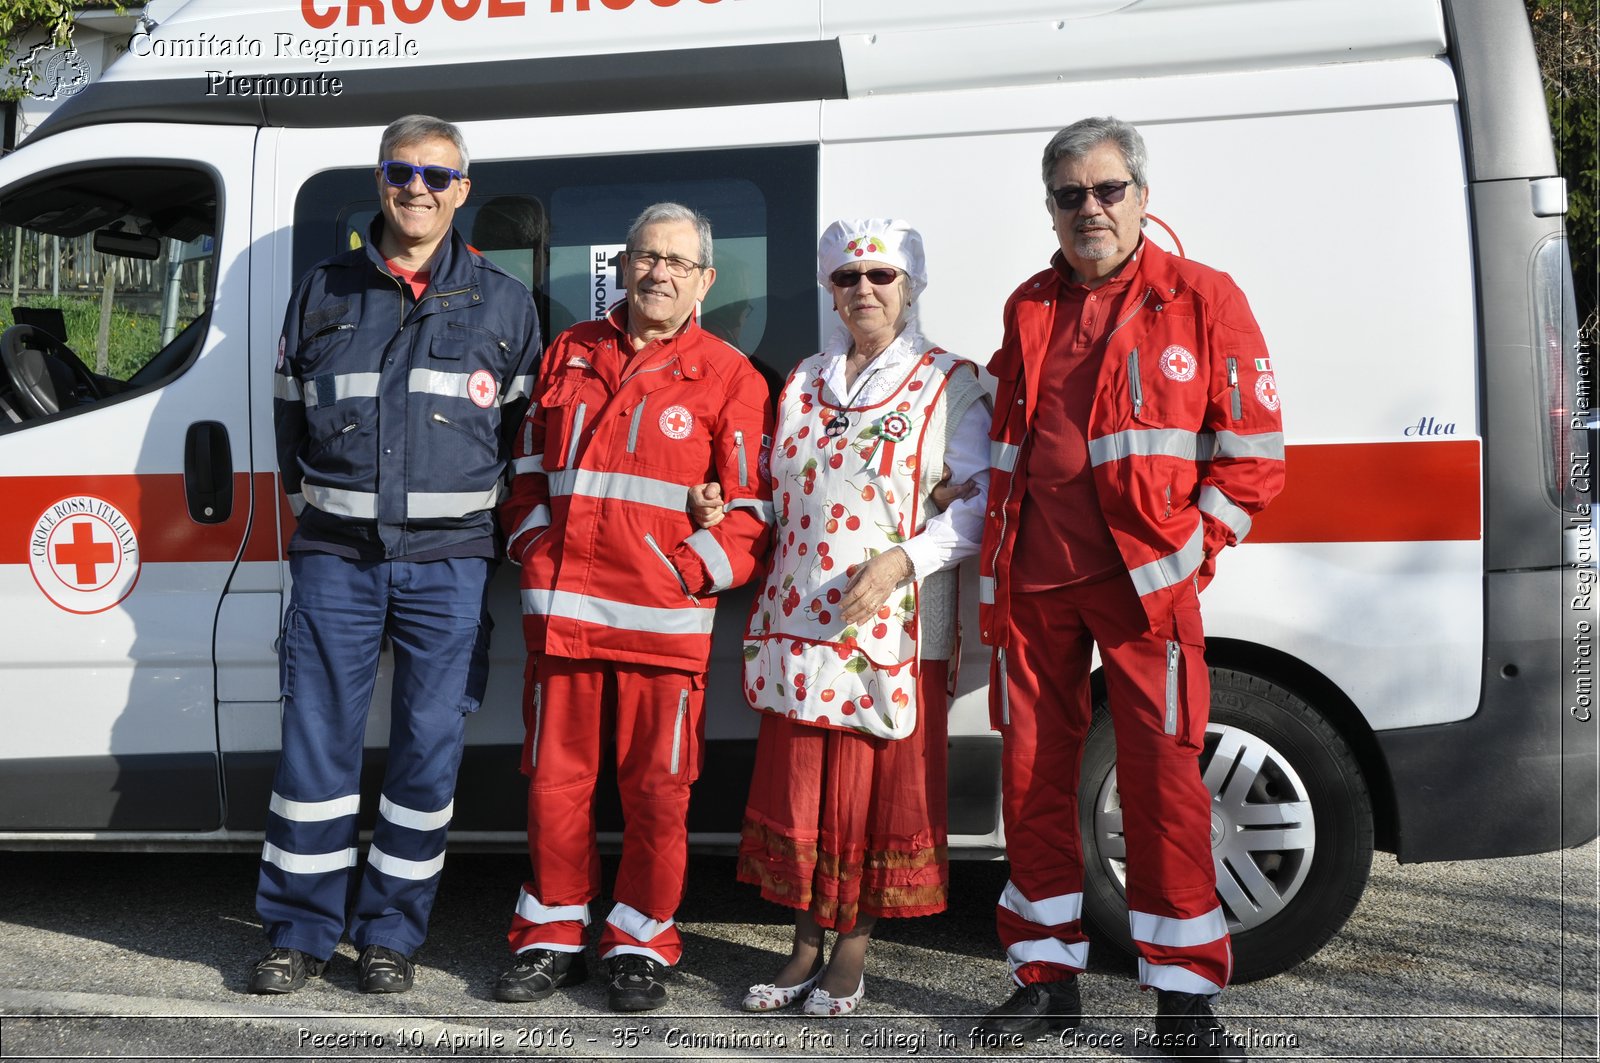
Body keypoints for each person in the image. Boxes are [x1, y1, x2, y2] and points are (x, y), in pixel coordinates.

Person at [972, 117, 1285, 1061]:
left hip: (1149, 589)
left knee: (1164, 788)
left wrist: (1196, 550)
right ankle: (1046, 979)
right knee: (1031, 782)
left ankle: (1185, 1003)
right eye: (1070, 195)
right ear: (1052, 209)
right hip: (1032, 585)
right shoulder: (1028, 303)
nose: (1090, 210)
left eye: (1107, 190)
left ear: (1142, 196)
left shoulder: (1202, 298)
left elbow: (1256, 455)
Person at [253, 115, 542, 995]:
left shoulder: (505, 301)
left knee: (427, 754)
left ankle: (390, 933)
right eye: (400, 171)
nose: (417, 188)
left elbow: (524, 443)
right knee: (314, 748)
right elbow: (288, 421)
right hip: (335, 559)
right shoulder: (325, 287)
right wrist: (322, 518)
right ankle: (297, 930)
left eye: (436, 175)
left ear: (463, 190)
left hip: (451, 565)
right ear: (379, 180)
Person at [693, 219, 989, 1017]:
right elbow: (774, 486)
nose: (863, 289)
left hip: (889, 627)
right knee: (801, 794)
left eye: (881, 276)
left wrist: (900, 559)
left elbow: (978, 509)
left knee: (862, 801)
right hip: (798, 624)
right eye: (848, 277)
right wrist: (726, 502)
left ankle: (849, 955)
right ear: (830, 287)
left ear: (911, 285)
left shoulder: (950, 382)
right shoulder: (803, 379)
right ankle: (800, 948)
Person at [493, 202, 774, 1012]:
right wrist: (532, 545)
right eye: (645, 256)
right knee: (554, 783)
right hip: (566, 616)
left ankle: (640, 942)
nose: (658, 272)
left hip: (663, 625)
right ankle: (550, 934)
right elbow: (527, 470)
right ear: (622, 265)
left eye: (677, 262)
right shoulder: (570, 352)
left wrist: (687, 570)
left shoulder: (730, 376)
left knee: (659, 794)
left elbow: (752, 511)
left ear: (705, 280)